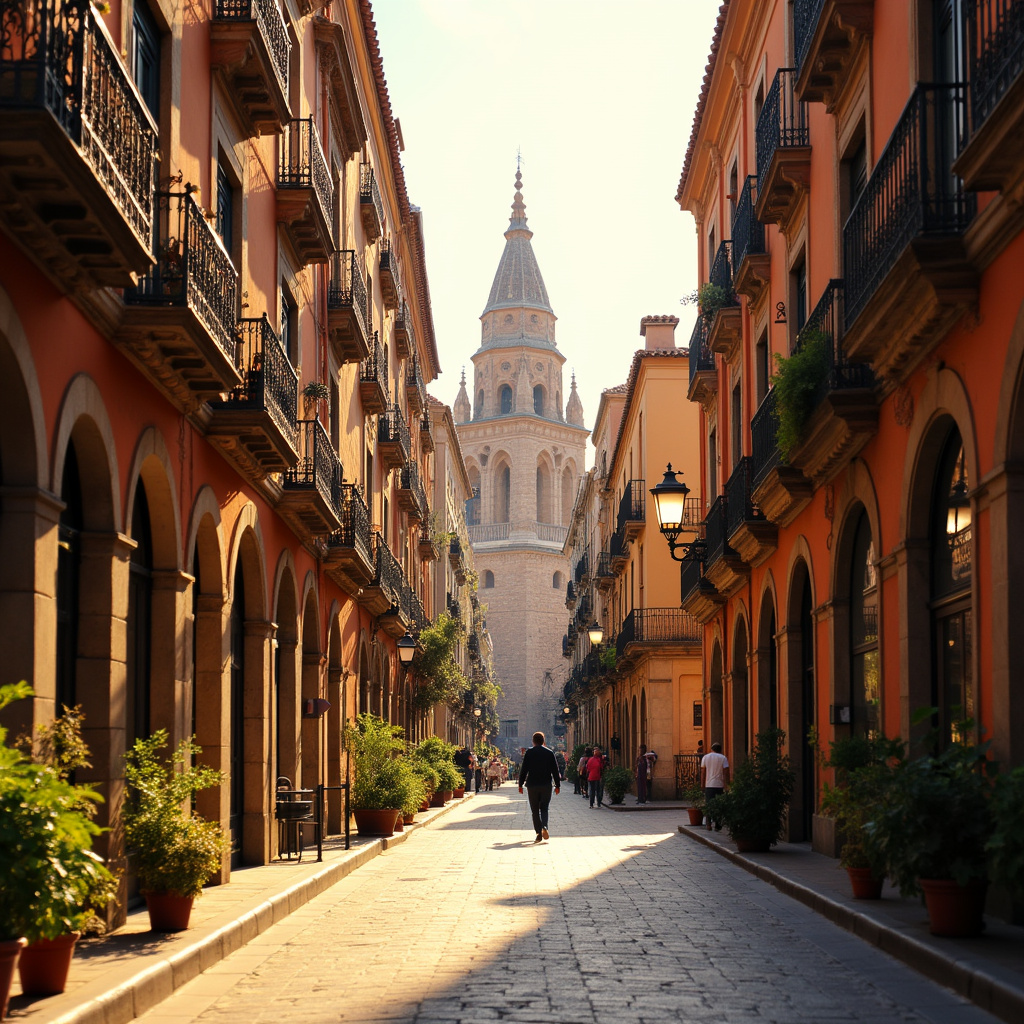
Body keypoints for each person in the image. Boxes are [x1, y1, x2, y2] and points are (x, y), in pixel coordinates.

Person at [518, 731, 561, 842]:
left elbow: (524, 770)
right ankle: (544, 827)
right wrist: (557, 785)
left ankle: (538, 833)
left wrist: (520, 784)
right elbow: (555, 770)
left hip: (532, 785)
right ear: (543, 741)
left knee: (535, 810)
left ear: (533, 741)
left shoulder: (529, 753)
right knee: (545, 808)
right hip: (546, 784)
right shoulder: (549, 753)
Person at [700, 741, 730, 831]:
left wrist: (702, 784)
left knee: (709, 805)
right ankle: (718, 825)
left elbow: (703, 772)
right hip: (719, 785)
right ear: (720, 750)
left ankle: (708, 825)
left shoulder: (706, 757)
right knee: (719, 805)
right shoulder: (723, 758)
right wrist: (726, 785)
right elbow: (726, 773)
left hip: (709, 785)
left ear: (711, 749)